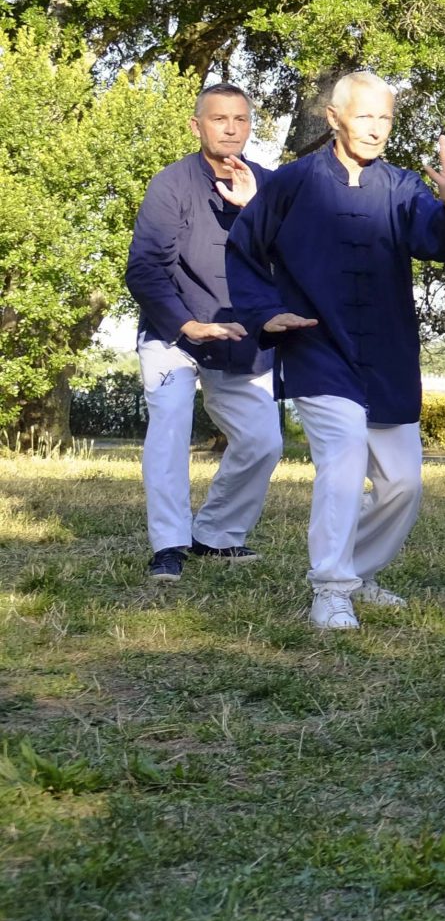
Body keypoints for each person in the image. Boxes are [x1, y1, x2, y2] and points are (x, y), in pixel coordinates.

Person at [226, 72, 445, 631]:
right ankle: (331, 588)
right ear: (334, 118)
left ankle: (359, 571)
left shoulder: (403, 186)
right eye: (365, 116)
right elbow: (244, 248)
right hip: (317, 347)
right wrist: (266, 312)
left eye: (385, 118)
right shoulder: (292, 183)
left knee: (403, 484)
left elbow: (435, 242)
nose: (376, 128)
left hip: (387, 355)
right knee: (341, 462)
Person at [125, 84, 284, 583]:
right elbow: (144, 268)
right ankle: (168, 544)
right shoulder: (170, 185)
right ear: (197, 126)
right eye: (219, 119)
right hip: (173, 334)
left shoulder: (269, 185)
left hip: (240, 336)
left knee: (263, 442)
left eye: (241, 119)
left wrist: (256, 209)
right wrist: (186, 325)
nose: (232, 128)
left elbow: (291, 257)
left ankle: (216, 533)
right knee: (170, 429)